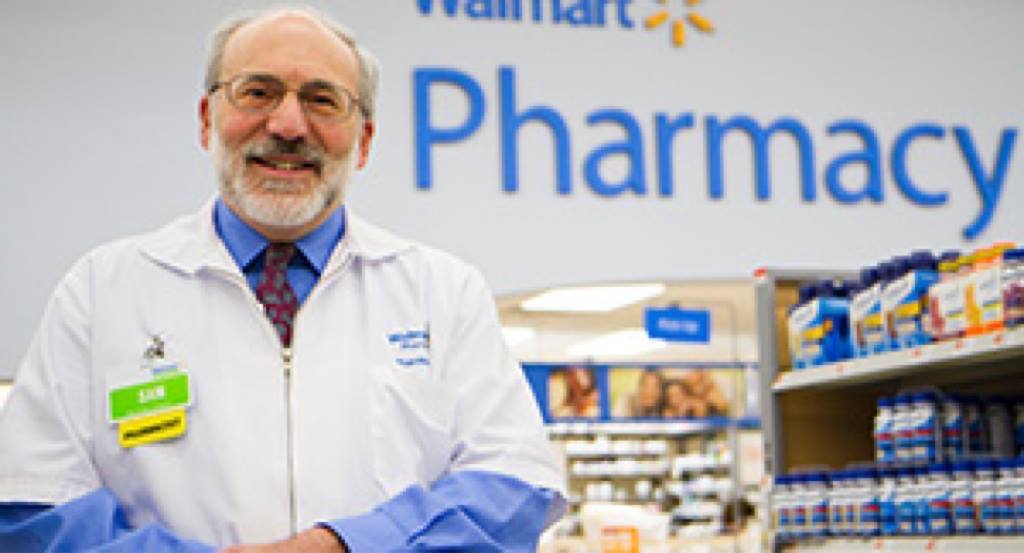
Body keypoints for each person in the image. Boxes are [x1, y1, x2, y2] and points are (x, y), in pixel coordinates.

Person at [0, 7, 565, 552]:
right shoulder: (102, 291)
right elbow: (32, 506)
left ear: (365, 141)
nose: (288, 125)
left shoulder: (443, 292)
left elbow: (514, 484)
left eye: (323, 100)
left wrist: (344, 547)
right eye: (257, 92)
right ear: (206, 120)